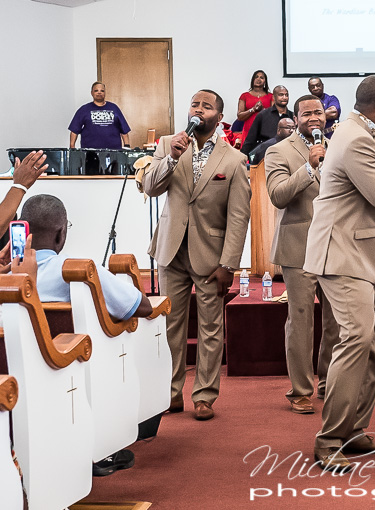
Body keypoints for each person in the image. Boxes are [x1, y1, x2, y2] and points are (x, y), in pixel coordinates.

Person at [303, 75, 375, 471]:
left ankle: (354, 430)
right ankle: (329, 440)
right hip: (341, 255)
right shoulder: (355, 138)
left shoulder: (357, 132)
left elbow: (365, 204)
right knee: (356, 338)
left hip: (361, 253)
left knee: (373, 344)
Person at [21, 194, 154, 477]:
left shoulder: (10, 275)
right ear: (61, 234)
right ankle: (103, 445)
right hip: (68, 367)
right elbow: (141, 307)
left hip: (17, 369)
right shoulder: (78, 271)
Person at [143, 89, 251, 421]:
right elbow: (150, 187)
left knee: (210, 328)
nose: (198, 109)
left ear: (219, 118)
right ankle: (171, 392)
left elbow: (238, 217)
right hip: (171, 251)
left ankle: (204, 395)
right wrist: (172, 158)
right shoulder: (167, 145)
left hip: (211, 256)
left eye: (207, 106)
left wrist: (229, 264)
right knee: (171, 326)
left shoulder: (234, 160)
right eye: (194, 104)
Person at [265, 94, 339, 414]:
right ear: (296, 119)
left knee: (335, 321)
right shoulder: (278, 151)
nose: (313, 117)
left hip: (335, 246)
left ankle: (328, 381)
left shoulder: (338, 148)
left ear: (326, 116)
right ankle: (300, 389)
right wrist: (310, 166)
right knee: (301, 320)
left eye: (317, 112)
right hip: (299, 247)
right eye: (306, 113)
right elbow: (278, 195)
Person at [69, 82, 131, 149]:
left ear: (105, 93)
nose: (99, 93)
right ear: (92, 93)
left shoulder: (114, 108)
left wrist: (127, 147)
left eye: (102, 91)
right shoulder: (84, 109)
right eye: (96, 91)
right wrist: (72, 147)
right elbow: (74, 130)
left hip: (113, 151)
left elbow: (124, 130)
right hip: (90, 152)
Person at [241, 85, 293, 155]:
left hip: (287, 153)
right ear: (274, 97)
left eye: (286, 95)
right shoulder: (263, 115)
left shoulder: (293, 116)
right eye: (281, 95)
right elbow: (250, 139)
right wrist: (243, 157)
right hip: (265, 154)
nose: (284, 97)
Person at [236, 70, 274, 146]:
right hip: (248, 132)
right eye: (256, 77)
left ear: (265, 81)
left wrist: (263, 110)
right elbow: (240, 116)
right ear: (252, 79)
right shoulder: (244, 96)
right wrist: (253, 109)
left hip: (265, 132)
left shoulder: (271, 96)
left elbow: (274, 116)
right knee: (247, 152)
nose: (258, 79)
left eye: (261, 78)